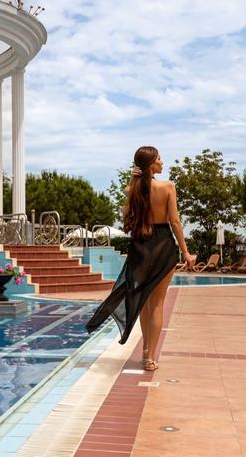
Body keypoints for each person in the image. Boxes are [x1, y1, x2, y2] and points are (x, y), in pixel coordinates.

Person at [86, 146, 194, 371]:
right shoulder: (167, 187)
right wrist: (185, 251)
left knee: (144, 302)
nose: (162, 162)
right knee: (157, 304)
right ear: (151, 165)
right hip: (163, 245)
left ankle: (145, 350)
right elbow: (175, 222)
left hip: (140, 246)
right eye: (159, 159)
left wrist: (134, 176)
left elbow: (130, 186)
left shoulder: (132, 189)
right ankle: (150, 357)